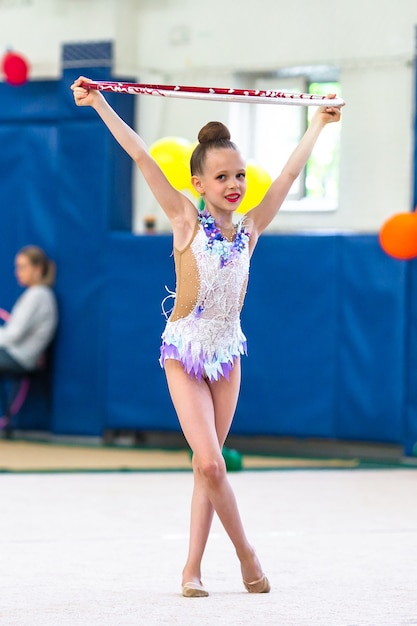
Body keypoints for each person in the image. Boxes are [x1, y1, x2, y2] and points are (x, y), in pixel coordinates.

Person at [71, 76, 342, 597]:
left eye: (239, 175)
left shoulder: (251, 229)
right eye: (222, 177)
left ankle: (190, 570)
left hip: (228, 352)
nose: (234, 184)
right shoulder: (183, 219)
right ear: (199, 183)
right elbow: (141, 153)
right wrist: (99, 101)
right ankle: (248, 556)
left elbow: (287, 174)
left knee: (206, 467)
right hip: (185, 348)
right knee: (213, 461)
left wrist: (318, 124)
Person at [0, 246, 58, 376]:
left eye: (22, 267)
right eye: (17, 267)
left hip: (19, 358)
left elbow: (13, 335)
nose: (17, 272)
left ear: (38, 269)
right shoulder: (36, 294)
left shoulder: (38, 295)